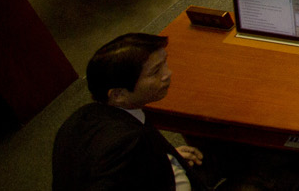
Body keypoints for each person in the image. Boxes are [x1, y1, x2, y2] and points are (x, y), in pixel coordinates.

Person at [52, 32, 206, 191]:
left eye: (164, 62)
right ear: (118, 95)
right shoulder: (130, 142)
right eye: (155, 72)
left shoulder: (79, 119)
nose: (167, 74)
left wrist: (160, 158)